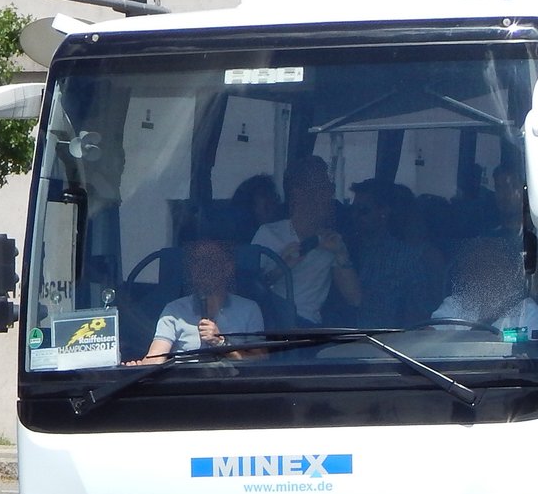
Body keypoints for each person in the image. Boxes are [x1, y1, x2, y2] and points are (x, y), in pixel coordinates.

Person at [251, 155, 361, 325]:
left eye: (330, 188)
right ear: (298, 193)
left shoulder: (331, 241)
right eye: (322, 188)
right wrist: (282, 267)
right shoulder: (269, 233)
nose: (329, 195)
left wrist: (341, 254)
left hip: (309, 329)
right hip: (273, 326)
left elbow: (355, 299)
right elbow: (249, 290)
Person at [128, 238, 264, 364]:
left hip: (236, 381)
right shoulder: (174, 311)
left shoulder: (249, 309)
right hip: (184, 381)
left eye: (211, 261)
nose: (203, 268)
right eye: (198, 262)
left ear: (228, 267)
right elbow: (156, 356)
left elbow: (260, 358)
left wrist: (221, 343)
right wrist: (139, 368)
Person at [348, 179, 434, 327]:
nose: (355, 216)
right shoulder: (341, 248)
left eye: (363, 210)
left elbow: (417, 313)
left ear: (384, 212)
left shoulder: (406, 258)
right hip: (332, 336)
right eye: (352, 210)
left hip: (384, 338)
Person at [430, 236, 538, 337]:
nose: (486, 272)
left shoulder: (529, 312)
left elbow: (533, 351)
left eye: (494, 265)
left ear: (510, 271)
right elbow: (431, 338)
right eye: (479, 265)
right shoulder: (454, 306)